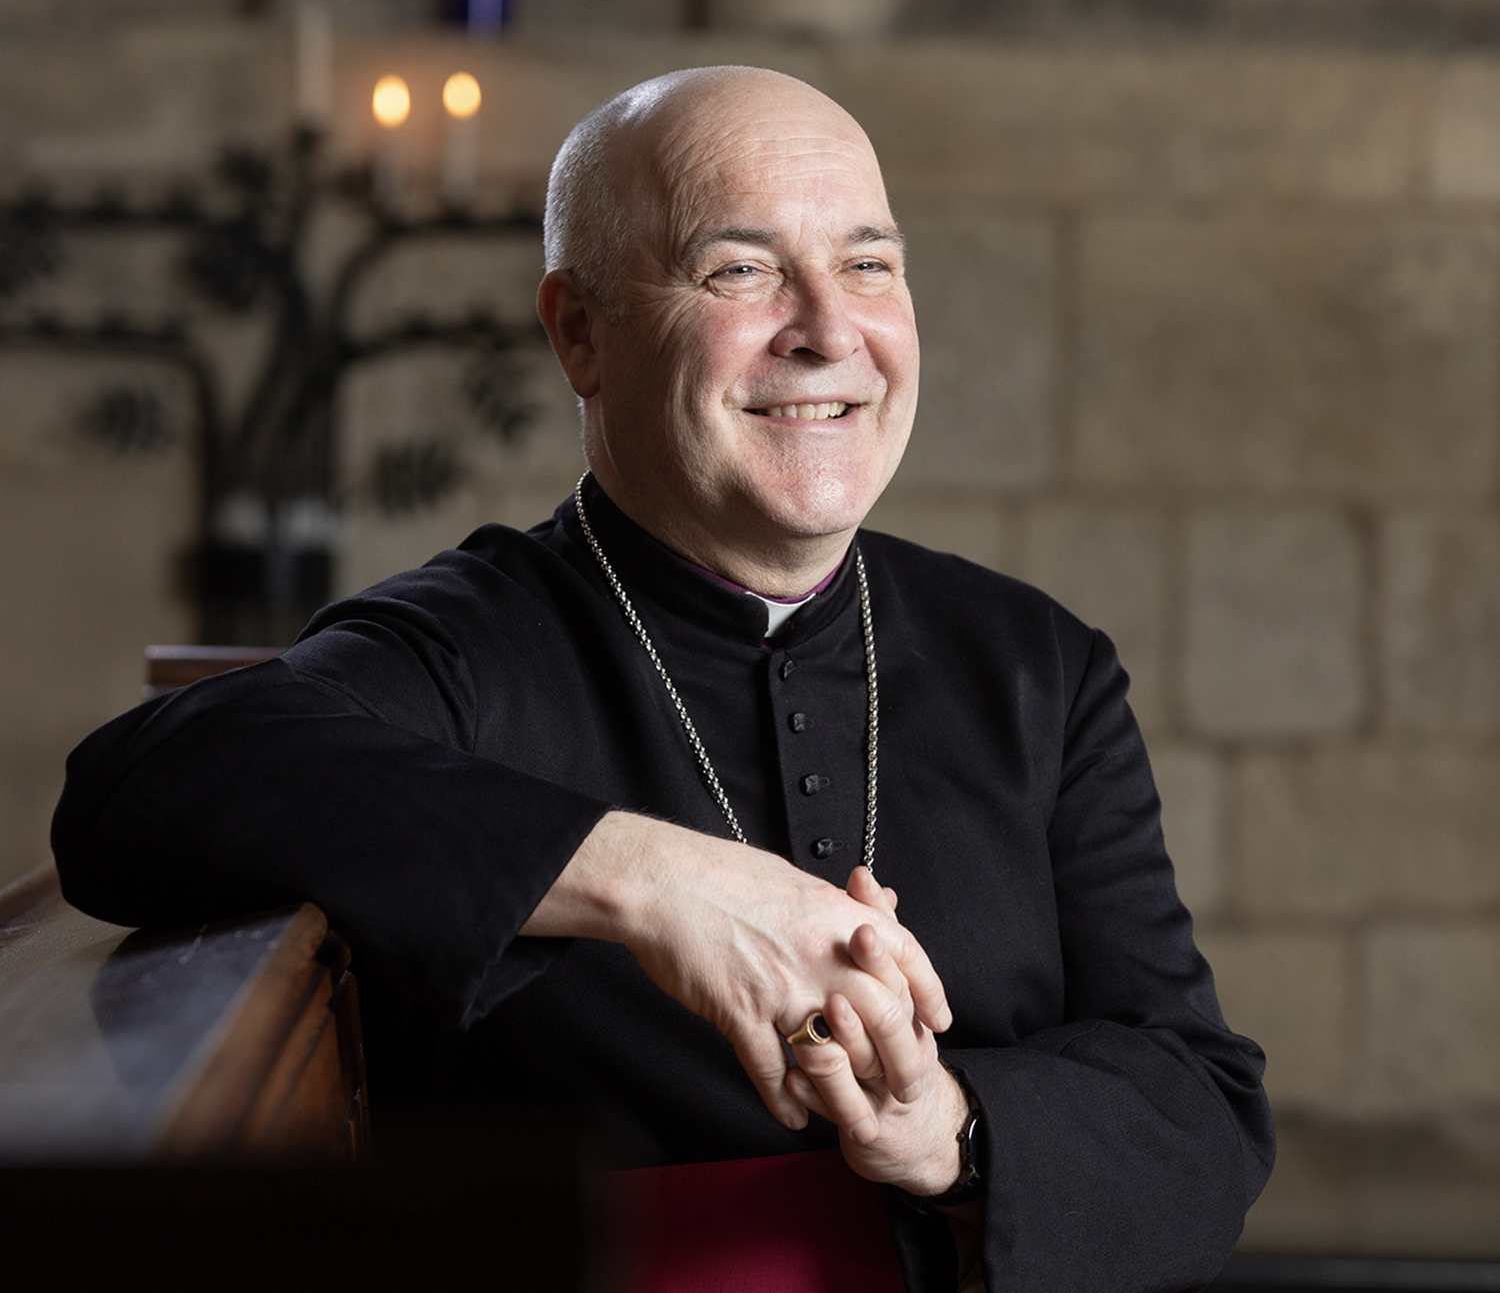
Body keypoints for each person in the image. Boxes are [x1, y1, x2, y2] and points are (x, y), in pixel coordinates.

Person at [54, 67, 1273, 1291]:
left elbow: (1202, 1102)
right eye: (740, 270)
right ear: (580, 332)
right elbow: (135, 793)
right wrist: (655, 880)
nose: (828, 330)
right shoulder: (472, 643)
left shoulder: (1036, 667)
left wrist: (952, 1128)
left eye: (867, 265)